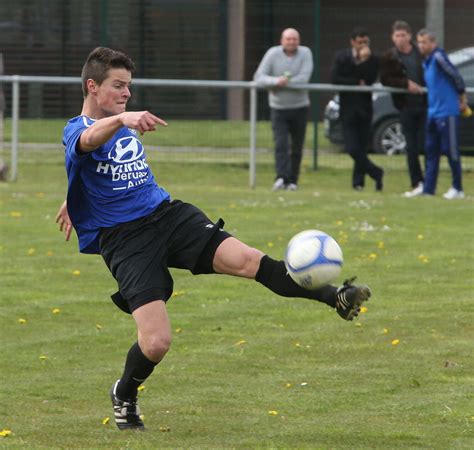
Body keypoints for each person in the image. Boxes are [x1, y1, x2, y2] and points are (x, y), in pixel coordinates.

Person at [55, 47, 371, 431]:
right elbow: (86, 141)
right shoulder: (77, 127)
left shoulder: (119, 121)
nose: (126, 94)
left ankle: (333, 295)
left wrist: (76, 196)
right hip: (126, 240)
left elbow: (102, 169)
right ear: (92, 86)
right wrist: (122, 120)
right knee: (155, 343)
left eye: (129, 88)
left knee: (249, 260)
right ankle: (124, 392)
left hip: (168, 215)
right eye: (118, 86)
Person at [254, 28, 313, 191]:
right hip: (278, 108)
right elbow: (259, 77)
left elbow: (303, 79)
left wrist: (282, 84)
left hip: (300, 107)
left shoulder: (305, 53)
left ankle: (293, 180)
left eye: (294, 39)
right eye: (288, 39)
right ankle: (281, 177)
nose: (291, 42)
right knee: (280, 144)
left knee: (297, 146)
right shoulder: (272, 54)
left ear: (298, 41)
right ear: (282, 40)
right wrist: (276, 81)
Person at [331, 27, 384, 192]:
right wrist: (355, 82)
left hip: (365, 109)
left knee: (361, 147)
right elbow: (335, 78)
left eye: (365, 42)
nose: (362, 45)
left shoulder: (373, 59)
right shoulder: (342, 57)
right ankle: (375, 171)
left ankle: (358, 183)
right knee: (352, 148)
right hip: (348, 108)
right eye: (359, 42)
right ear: (352, 42)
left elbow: (368, 79)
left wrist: (364, 61)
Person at [416, 29, 467, 199]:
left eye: (424, 42)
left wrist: (462, 98)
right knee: (431, 151)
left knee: (450, 150)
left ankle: (457, 188)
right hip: (433, 113)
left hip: (447, 112)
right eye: (419, 42)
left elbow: (456, 77)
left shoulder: (439, 58)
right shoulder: (427, 62)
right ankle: (428, 189)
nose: (421, 46)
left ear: (433, 43)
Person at [380, 20, 426, 197]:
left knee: (426, 144)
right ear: (393, 37)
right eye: (397, 35)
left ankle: (429, 183)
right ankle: (417, 182)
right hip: (406, 106)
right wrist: (406, 84)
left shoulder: (420, 53)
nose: (400, 39)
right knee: (412, 147)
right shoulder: (389, 57)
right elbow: (385, 79)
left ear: (409, 36)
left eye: (403, 35)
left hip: (425, 104)